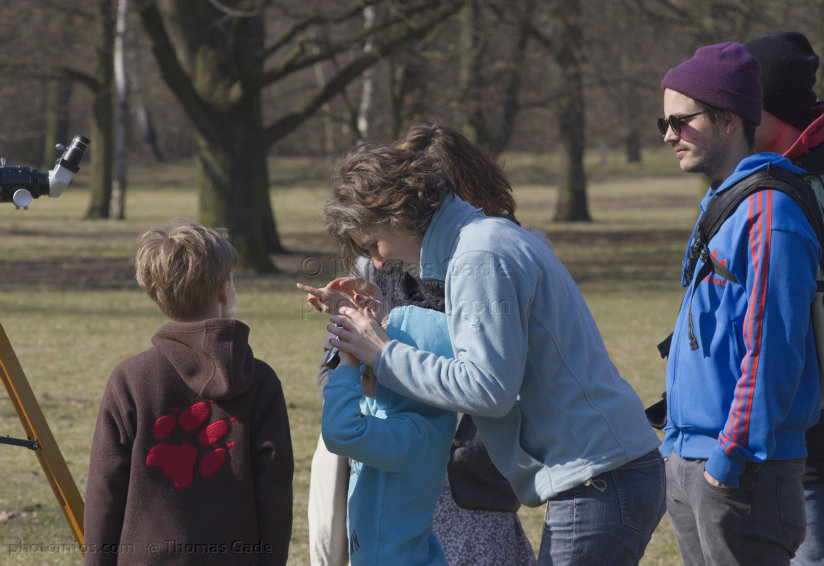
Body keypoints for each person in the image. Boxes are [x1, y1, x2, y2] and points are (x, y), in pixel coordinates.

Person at [318, 144, 666, 565]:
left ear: (398, 212)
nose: (377, 260)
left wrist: (382, 352)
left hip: (597, 478)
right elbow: (480, 348)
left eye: (374, 243)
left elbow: (487, 388)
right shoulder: (482, 242)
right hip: (605, 475)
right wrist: (386, 320)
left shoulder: (479, 255)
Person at [302, 123, 535, 565]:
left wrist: (370, 353)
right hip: (386, 464)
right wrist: (348, 335)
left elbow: (498, 374)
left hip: (473, 484)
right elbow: (333, 370)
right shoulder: (377, 263)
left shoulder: (491, 254)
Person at [658, 42, 821, 564]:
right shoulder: (725, 200)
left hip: (742, 474)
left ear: (728, 119)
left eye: (681, 121)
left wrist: (731, 457)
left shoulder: (771, 213)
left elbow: (773, 348)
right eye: (664, 122)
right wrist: (677, 452)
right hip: (691, 459)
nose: (668, 135)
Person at [84, 220, 294, 565]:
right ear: (225, 291)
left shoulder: (130, 378)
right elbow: (275, 490)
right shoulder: (262, 381)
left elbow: (105, 490)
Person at [746, 30, 824, 566]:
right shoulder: (765, 174)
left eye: (741, 104)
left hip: (817, 438)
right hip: (765, 429)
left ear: (771, 107)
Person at [322, 299, 457, 564]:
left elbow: (339, 430)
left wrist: (348, 361)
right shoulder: (395, 407)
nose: (367, 365)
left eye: (381, 358)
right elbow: (364, 400)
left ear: (416, 371)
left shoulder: (417, 434)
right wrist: (352, 314)